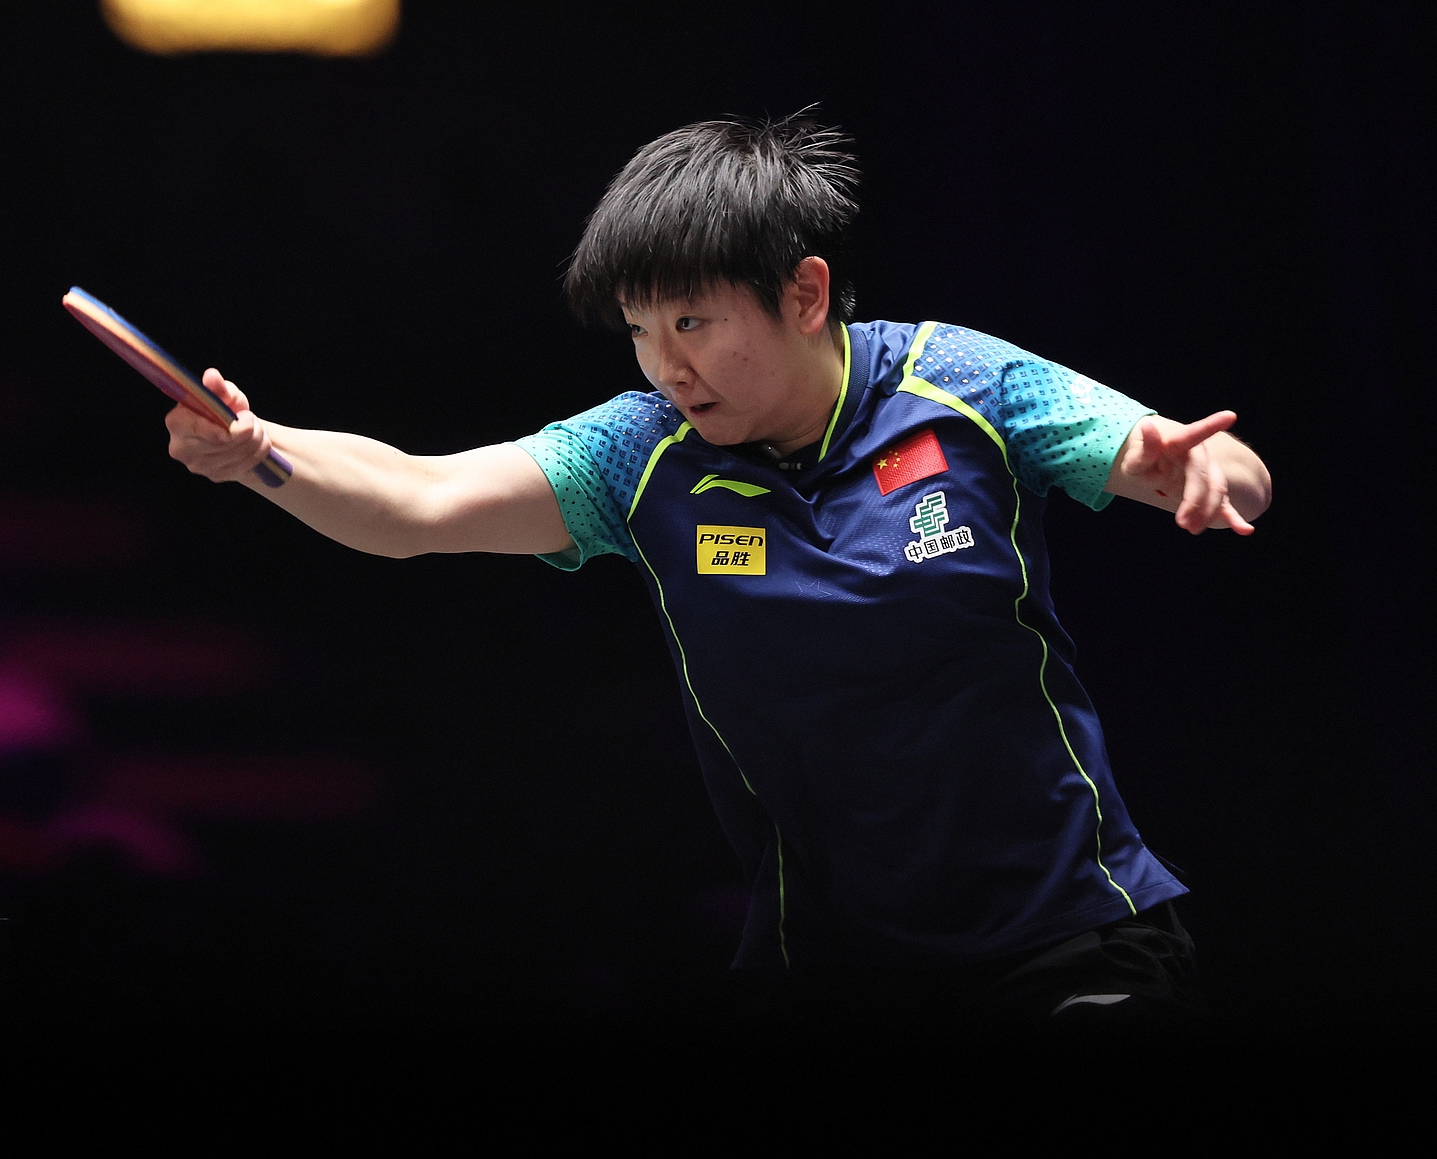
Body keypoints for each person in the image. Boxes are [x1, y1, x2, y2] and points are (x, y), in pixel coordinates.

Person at [163, 115, 1271, 1029]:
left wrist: (1204, 471)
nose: (666, 366)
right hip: (829, 966)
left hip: (1071, 938)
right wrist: (265, 453)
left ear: (801, 293)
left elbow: (1205, 460)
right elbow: (413, 501)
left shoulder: (963, 385)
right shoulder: (637, 452)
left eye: (690, 319)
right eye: (641, 331)